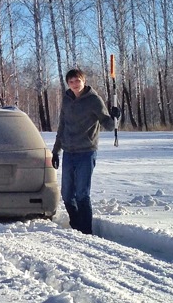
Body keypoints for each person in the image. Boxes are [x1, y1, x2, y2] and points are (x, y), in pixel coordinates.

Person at [51, 68, 121, 234]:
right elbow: (62, 126)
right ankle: (77, 227)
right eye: (71, 82)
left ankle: (86, 231)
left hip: (86, 152)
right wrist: (55, 151)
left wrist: (116, 116)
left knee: (82, 194)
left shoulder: (94, 100)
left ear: (84, 81)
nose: (75, 84)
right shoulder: (67, 100)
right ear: (68, 83)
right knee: (67, 195)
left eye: (78, 81)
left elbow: (109, 125)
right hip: (69, 151)